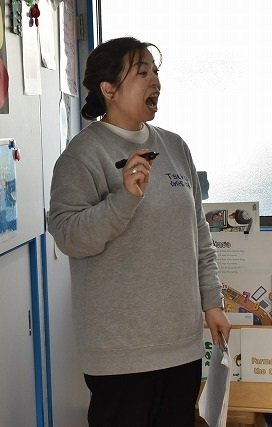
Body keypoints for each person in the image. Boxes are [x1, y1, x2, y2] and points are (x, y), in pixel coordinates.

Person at [47, 37, 231, 426]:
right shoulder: (82, 155)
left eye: (156, 71)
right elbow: (68, 236)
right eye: (142, 72)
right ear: (109, 89)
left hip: (182, 347)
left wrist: (212, 303)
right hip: (120, 355)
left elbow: (199, 234)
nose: (155, 81)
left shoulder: (175, 147)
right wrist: (124, 199)